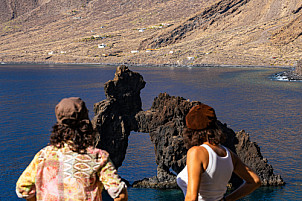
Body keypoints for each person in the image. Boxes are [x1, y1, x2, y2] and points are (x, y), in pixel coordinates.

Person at [16, 97, 128, 201]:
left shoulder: (43, 155)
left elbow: (23, 188)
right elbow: (120, 194)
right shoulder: (98, 156)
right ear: (86, 124)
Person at [177, 103, 261, 201]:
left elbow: (191, 198)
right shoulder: (229, 154)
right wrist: (226, 199)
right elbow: (255, 181)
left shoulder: (196, 152)